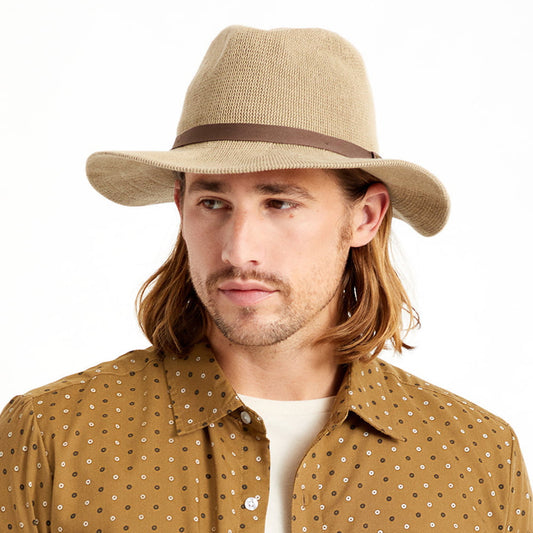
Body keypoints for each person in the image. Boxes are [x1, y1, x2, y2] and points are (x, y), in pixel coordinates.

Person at [0, 25, 531, 532]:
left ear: (365, 217)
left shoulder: (477, 458)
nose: (238, 250)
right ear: (181, 207)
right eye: (213, 202)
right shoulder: (52, 435)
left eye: (279, 203)